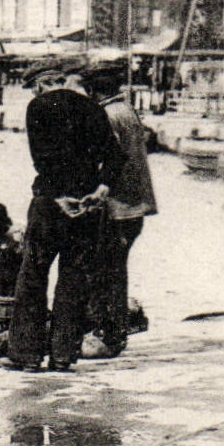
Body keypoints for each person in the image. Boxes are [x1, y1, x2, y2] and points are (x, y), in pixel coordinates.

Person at [2, 59, 125, 372]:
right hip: (86, 206)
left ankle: (26, 355)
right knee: (73, 277)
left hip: (50, 204)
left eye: (33, 88)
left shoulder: (38, 107)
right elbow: (115, 155)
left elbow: (42, 159)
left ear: (42, 84)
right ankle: (63, 354)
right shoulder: (92, 108)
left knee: (33, 275)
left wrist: (58, 196)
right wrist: (101, 190)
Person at [80, 61, 157, 358]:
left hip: (117, 207)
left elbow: (107, 163)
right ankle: (114, 330)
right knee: (116, 269)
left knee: (106, 271)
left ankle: (108, 335)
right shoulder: (127, 111)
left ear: (92, 90)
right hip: (134, 206)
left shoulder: (107, 116)